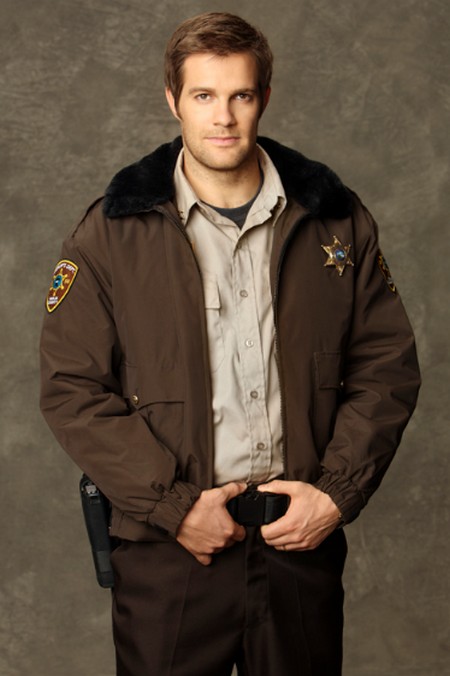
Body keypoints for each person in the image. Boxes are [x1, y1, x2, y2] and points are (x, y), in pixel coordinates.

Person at [40, 12, 420, 676]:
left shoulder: (334, 219)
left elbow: (385, 366)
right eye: (203, 95)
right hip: (171, 552)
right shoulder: (110, 233)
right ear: (173, 100)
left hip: (297, 543)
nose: (223, 117)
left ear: (264, 97)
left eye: (240, 95)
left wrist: (336, 492)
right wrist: (173, 505)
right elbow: (73, 390)